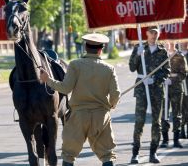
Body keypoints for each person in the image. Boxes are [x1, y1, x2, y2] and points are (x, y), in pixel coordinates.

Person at [40, 33, 120, 166]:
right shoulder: (109, 69)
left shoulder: (75, 65)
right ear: (101, 49)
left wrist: (48, 80)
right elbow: (116, 94)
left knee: (69, 155)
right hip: (101, 116)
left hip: (78, 117)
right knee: (107, 155)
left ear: (85, 47)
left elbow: (65, 88)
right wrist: (112, 104)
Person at [129, 26, 170, 164]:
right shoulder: (139, 47)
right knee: (139, 121)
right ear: (146, 33)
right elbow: (132, 68)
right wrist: (137, 55)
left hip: (156, 90)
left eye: (156, 33)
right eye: (151, 32)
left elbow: (166, 71)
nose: (154, 35)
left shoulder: (162, 51)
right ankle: (135, 153)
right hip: (141, 88)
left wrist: (155, 79)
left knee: (156, 123)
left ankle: (153, 152)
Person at [160, 43, 186, 148]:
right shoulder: (161, 55)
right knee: (164, 114)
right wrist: (162, 79)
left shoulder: (180, 55)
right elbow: (156, 70)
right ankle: (165, 139)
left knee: (177, 114)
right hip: (163, 88)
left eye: (170, 41)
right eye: (166, 41)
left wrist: (172, 80)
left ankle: (176, 139)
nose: (168, 43)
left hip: (176, 88)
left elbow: (184, 73)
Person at [180, 42, 188, 139]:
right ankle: (181, 129)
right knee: (180, 108)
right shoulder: (176, 54)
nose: (184, 43)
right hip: (179, 84)